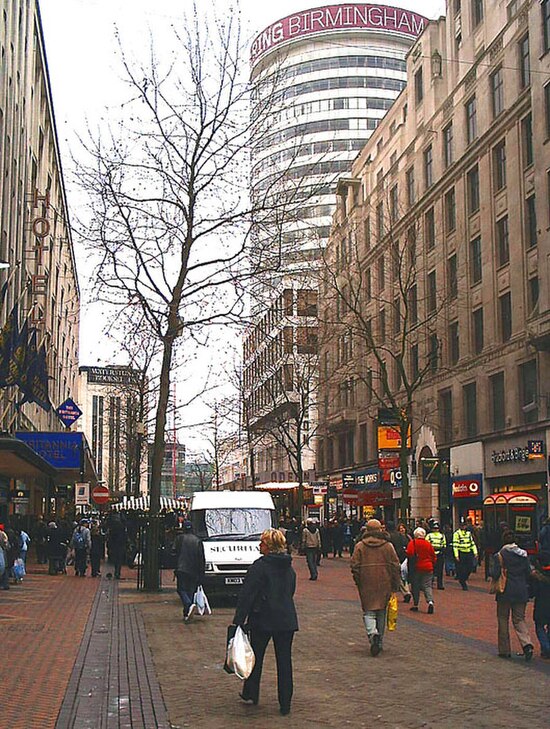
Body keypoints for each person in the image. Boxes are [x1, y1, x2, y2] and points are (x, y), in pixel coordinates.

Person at [233, 528, 298, 716]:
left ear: (269, 547)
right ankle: (285, 702)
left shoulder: (259, 566)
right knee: (284, 661)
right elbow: (290, 590)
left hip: (263, 618)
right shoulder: (289, 567)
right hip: (286, 618)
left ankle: (251, 692)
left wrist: (238, 620)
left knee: (256, 657)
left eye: (262, 543)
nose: (259, 546)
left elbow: (247, 595)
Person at [350, 518, 400, 656]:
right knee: (381, 612)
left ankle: (372, 634)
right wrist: (395, 583)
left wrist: (358, 579)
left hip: (366, 582)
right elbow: (395, 566)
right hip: (385, 582)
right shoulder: (388, 546)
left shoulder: (360, 546)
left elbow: (354, 565)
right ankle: (380, 640)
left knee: (368, 611)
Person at [491, 530, 534, 661]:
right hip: (521, 590)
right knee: (519, 619)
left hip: (505, 590)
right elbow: (528, 572)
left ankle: (504, 650)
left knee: (503, 618)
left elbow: (494, 573)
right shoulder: (523, 555)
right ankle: (527, 644)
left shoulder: (499, 555)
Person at [172, 520, 205, 622]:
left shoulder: (179, 539)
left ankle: (188, 605)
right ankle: (187, 612)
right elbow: (201, 558)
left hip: (181, 568)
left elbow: (173, 552)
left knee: (181, 589)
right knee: (190, 590)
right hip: (194, 570)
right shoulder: (198, 540)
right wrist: (201, 573)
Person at [406, 527, 436, 614]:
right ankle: (430, 601)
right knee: (427, 585)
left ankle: (415, 604)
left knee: (415, 586)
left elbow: (410, 553)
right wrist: (431, 563)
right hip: (428, 567)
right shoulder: (428, 544)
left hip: (417, 567)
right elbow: (433, 556)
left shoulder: (413, 543)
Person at [530, 550, 550, 659]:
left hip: (541, 605)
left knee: (539, 626)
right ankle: (546, 649)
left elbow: (533, 592)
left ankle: (546, 648)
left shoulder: (538, 577)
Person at [387, 521, 412, 603]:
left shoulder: (388, 537)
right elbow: (406, 545)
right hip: (402, 558)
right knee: (402, 576)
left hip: (391, 559)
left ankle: (404, 592)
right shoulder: (401, 536)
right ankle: (406, 591)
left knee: (393, 577)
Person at [453, 520, 478, 590]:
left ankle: (464, 578)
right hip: (461, 553)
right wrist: (456, 555)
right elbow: (455, 545)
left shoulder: (468, 533)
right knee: (462, 568)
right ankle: (463, 582)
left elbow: (472, 543)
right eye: (463, 526)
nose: (464, 527)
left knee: (470, 567)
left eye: (465, 526)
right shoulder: (457, 534)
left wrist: (475, 552)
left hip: (468, 552)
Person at [107, 513, 127, 579]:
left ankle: (116, 572)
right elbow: (124, 537)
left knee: (116, 560)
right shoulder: (122, 528)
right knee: (119, 560)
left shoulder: (112, 528)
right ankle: (117, 572)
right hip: (120, 545)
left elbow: (110, 538)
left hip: (114, 546)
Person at [426, 522, 446, 590]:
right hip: (432, 555)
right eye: (435, 528)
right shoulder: (429, 535)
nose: (436, 529)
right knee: (432, 570)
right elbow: (427, 544)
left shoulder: (442, 535)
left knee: (439, 570)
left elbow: (444, 544)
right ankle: (431, 583)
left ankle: (439, 584)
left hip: (439, 554)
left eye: (437, 528)